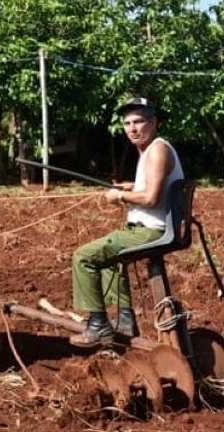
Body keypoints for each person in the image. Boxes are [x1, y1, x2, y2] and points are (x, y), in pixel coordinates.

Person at [69, 97, 185, 348]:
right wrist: (132, 187)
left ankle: (98, 325)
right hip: (152, 228)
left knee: (83, 257)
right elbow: (152, 187)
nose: (132, 128)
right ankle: (124, 320)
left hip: (152, 231)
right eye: (127, 123)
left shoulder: (157, 150)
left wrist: (120, 196)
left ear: (153, 122)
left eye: (139, 122)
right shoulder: (151, 150)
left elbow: (152, 198)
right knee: (111, 261)